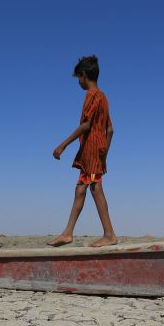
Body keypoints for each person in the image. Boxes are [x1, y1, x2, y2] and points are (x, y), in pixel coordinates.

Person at [48, 55, 117, 247]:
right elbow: (110, 130)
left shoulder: (92, 95)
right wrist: (104, 155)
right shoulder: (104, 98)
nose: (78, 82)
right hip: (95, 151)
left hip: (92, 148)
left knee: (95, 188)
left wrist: (63, 144)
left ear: (84, 75)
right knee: (81, 188)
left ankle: (110, 234)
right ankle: (68, 233)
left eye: (79, 77)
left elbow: (86, 125)